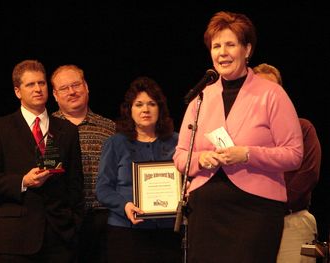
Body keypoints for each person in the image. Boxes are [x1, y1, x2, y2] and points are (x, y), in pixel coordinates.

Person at [173, 11, 304, 263]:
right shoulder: (200, 98)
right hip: (206, 211)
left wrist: (247, 154)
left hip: (255, 213)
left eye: (230, 44)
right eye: (216, 46)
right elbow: (180, 157)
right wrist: (203, 158)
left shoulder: (271, 94)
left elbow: (294, 154)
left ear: (247, 49)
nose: (222, 52)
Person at [0, 59, 84, 262]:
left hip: (60, 236)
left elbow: (75, 182)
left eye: (41, 83)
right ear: (18, 91)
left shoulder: (67, 130)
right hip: (15, 238)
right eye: (30, 84)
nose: (37, 88)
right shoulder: (0, 128)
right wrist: (22, 182)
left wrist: (73, 222)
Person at [96, 76, 182, 263]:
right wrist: (124, 206)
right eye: (139, 104)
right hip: (126, 232)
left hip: (170, 232)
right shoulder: (115, 143)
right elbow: (103, 189)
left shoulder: (178, 141)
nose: (145, 109)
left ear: (160, 108)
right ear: (129, 110)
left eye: (151, 104)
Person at [253, 63, 321, 263]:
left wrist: (270, 204)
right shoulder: (242, 136)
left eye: (272, 90)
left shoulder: (302, 128)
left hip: (292, 222)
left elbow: (308, 175)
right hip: (252, 225)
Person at [51, 64, 115, 263]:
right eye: (64, 88)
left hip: (103, 219)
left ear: (86, 86)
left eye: (76, 84)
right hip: (61, 221)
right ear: (54, 94)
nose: (72, 91)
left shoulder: (110, 128)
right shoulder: (46, 128)